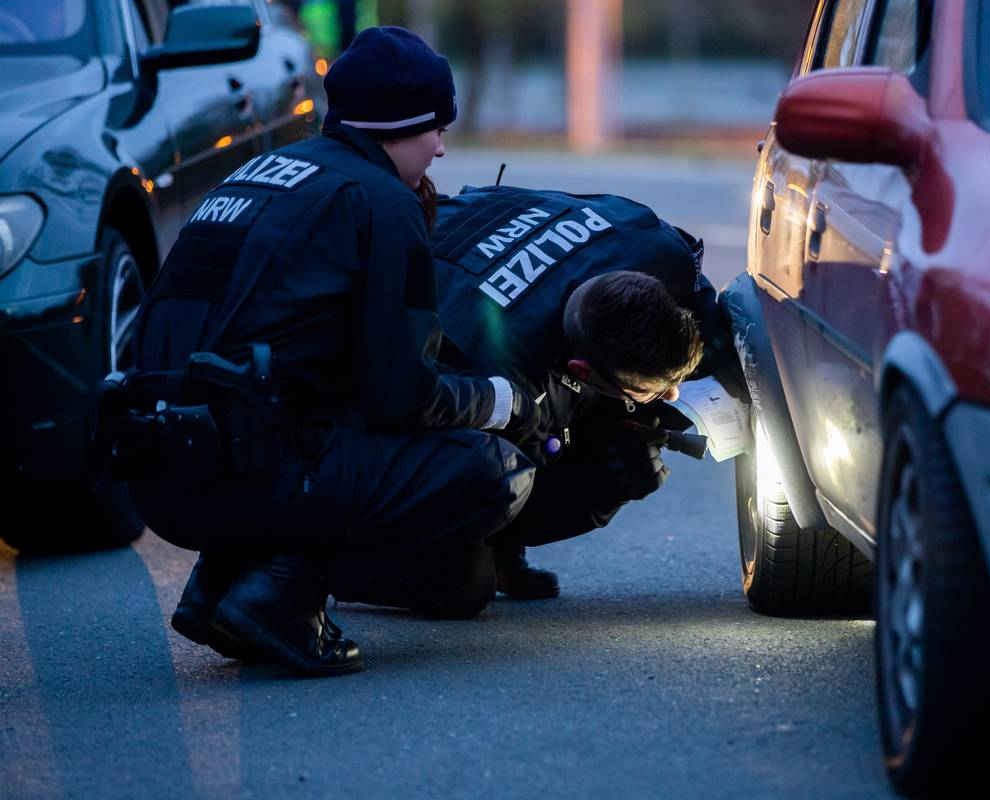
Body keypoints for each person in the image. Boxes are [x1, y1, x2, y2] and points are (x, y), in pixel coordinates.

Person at [121, 27, 546, 677]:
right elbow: (400, 395)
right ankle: (283, 592)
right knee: (494, 472)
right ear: (401, 123)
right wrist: (498, 400)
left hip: (158, 476)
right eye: (435, 125)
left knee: (312, 416)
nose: (439, 146)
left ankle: (222, 583)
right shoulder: (380, 201)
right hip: (241, 476)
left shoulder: (266, 174)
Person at [325, 184, 742, 615]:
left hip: (488, 247)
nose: (673, 394)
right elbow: (507, 489)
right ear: (578, 370)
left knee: (622, 409)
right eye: (651, 386)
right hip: (397, 368)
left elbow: (700, 307)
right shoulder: (499, 373)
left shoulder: (657, 248)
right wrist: (605, 489)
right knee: (464, 586)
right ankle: (324, 566)